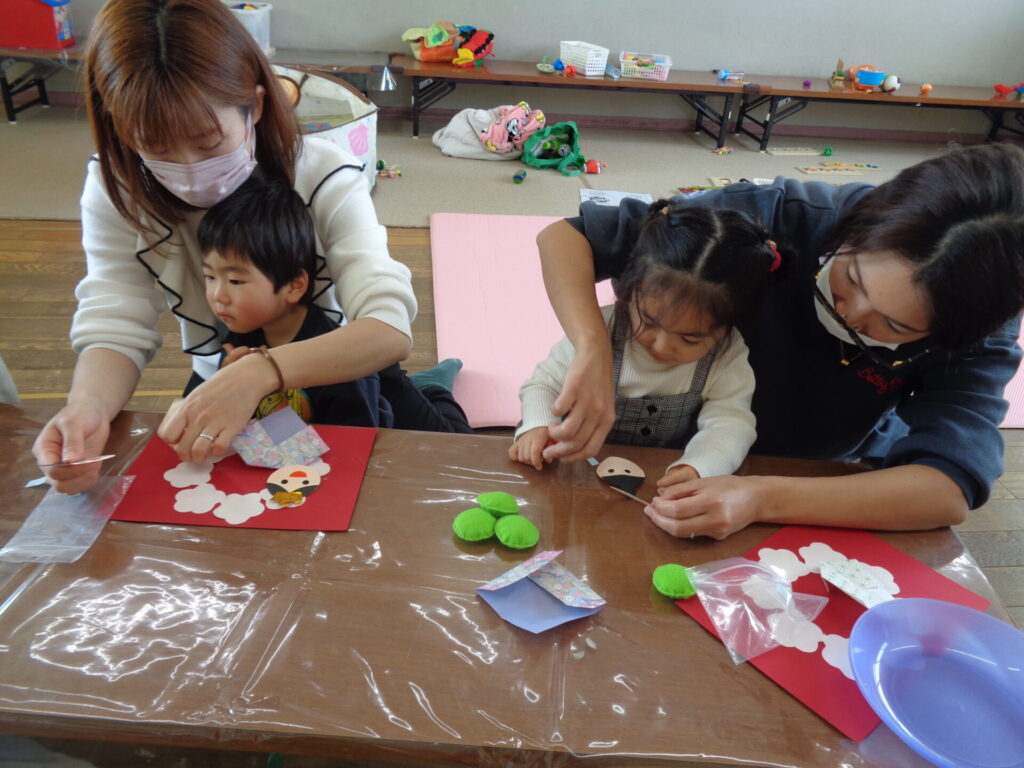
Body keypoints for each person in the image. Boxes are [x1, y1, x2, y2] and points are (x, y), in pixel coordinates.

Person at [535, 143, 1024, 539]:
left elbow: (947, 489)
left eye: (894, 327)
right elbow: (567, 238)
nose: (852, 313)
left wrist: (762, 497)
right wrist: (593, 349)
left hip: (811, 476)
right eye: (852, 278)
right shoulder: (773, 216)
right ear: (861, 223)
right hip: (674, 455)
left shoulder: (978, 327)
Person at [32, 0, 417, 493]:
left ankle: (436, 387)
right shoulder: (117, 187)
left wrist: (263, 371)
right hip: (226, 377)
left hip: (338, 367)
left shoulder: (324, 173)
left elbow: (387, 327)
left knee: (400, 457)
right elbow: (116, 317)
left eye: (209, 143)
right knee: (239, 492)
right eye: (155, 147)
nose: (188, 171)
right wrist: (87, 407)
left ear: (254, 106)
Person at [511, 203, 777, 486]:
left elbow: (731, 423)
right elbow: (544, 384)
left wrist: (699, 467)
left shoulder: (726, 354)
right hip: (574, 467)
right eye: (649, 322)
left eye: (689, 339)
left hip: (657, 476)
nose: (660, 346)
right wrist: (538, 426)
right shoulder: (605, 327)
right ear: (631, 289)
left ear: (726, 327)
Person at [193, 176, 472, 433]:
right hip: (306, 441)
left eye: (235, 281)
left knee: (460, 446)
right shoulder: (243, 327)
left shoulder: (342, 369)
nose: (218, 296)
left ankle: (434, 387)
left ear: (294, 286)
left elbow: (357, 442)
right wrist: (229, 378)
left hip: (381, 397)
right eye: (209, 277)